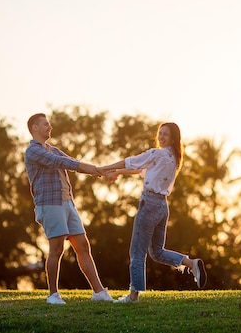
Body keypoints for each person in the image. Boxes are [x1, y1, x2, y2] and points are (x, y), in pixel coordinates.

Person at [98, 122, 207, 303]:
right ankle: (190, 263)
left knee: (137, 252)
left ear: (173, 138)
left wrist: (104, 169)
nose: (161, 137)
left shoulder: (157, 153)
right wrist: (117, 172)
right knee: (157, 252)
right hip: (162, 207)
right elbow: (139, 168)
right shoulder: (173, 157)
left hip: (149, 204)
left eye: (165, 134)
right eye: (160, 134)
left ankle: (133, 296)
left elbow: (130, 161)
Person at [24, 113, 115, 304]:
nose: (50, 127)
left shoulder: (54, 149)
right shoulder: (33, 151)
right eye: (45, 124)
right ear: (35, 128)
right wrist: (91, 168)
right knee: (56, 248)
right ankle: (53, 295)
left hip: (67, 202)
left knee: (83, 245)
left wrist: (100, 171)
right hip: (50, 203)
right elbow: (62, 163)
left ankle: (98, 292)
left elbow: (73, 162)